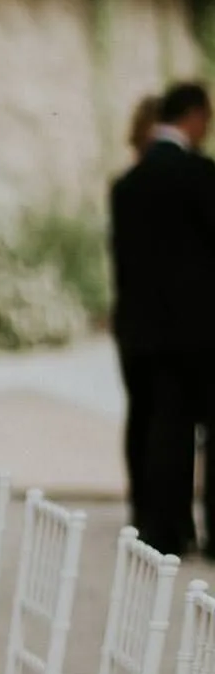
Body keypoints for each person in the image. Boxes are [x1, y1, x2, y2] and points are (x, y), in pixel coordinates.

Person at [109, 80, 215, 555]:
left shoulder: (126, 185)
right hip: (199, 331)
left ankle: (163, 527)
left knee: (157, 428)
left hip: (142, 329)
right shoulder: (201, 175)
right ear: (195, 117)